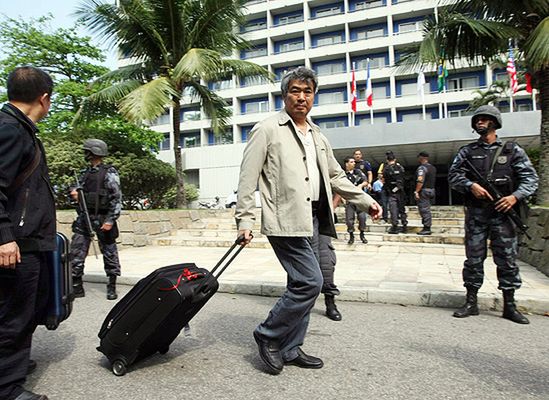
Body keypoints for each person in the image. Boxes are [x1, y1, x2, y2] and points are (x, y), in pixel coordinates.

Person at [235, 67, 381, 375]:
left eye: (308, 92)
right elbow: (247, 180)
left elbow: (336, 175)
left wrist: (366, 202)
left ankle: (291, 347)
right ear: (284, 94)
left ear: (313, 96)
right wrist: (245, 221)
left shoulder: (317, 135)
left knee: (300, 283)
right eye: (295, 91)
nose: (302, 97)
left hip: (315, 216)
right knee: (310, 282)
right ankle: (269, 335)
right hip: (285, 218)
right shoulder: (267, 130)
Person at [448, 105, 538, 324]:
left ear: (495, 123)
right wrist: (470, 186)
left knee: (507, 260)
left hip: (503, 214)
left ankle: (510, 305)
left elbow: (530, 179)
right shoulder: (467, 152)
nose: (479, 122)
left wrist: (514, 197)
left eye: (484, 119)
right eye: (477, 119)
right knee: (474, 259)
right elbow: (453, 176)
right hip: (477, 214)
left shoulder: (511, 150)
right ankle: (471, 302)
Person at [0, 66, 54, 400]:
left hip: (30, 241)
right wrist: (4, 236)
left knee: (33, 307)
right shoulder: (10, 131)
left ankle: (11, 364)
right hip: (15, 244)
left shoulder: (20, 130)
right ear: (44, 98)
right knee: (13, 316)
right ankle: (7, 387)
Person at [70, 139, 122, 300]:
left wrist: (110, 220)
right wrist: (74, 195)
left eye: (87, 151)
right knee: (76, 252)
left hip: (103, 218)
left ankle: (111, 285)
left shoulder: (109, 172)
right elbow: (75, 193)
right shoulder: (85, 173)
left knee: (110, 254)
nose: (85, 154)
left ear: (93, 152)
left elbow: (117, 198)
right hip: (85, 218)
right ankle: (77, 285)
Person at [343, 157, 369, 244]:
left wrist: (361, 185)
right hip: (349, 199)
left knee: (362, 218)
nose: (354, 163)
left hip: (359, 199)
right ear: (347, 164)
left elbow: (366, 181)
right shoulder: (343, 175)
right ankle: (351, 236)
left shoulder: (358, 172)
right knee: (349, 220)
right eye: (351, 162)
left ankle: (362, 234)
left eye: (354, 162)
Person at [382, 151, 408, 234]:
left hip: (392, 193)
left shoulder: (386, 169)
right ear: (395, 159)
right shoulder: (400, 168)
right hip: (400, 191)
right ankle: (404, 225)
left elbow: (384, 181)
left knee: (393, 209)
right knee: (401, 209)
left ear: (387, 159)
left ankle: (395, 226)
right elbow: (403, 179)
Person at [414, 151, 437, 235]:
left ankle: (426, 228)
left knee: (424, 209)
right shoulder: (433, 168)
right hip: (431, 190)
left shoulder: (422, 168)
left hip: (424, 191)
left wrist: (416, 191)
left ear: (421, 158)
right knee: (427, 209)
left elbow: (420, 180)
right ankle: (427, 226)